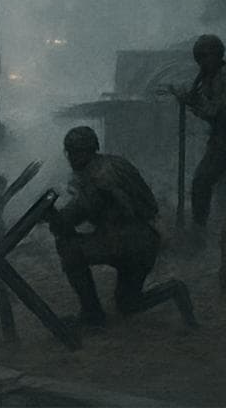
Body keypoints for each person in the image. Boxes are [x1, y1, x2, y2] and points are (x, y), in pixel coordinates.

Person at [49, 125, 196, 327]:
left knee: (69, 248)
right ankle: (173, 290)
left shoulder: (96, 178)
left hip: (127, 244)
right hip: (146, 241)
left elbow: (72, 218)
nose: (70, 158)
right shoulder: (115, 163)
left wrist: (51, 216)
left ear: (82, 152)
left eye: (72, 153)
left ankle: (92, 315)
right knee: (128, 304)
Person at [167, 34, 226, 243]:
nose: (201, 63)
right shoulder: (211, 75)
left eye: (204, 58)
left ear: (215, 55)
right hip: (223, 137)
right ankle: (199, 234)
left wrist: (195, 103)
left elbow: (225, 112)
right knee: (202, 180)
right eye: (199, 59)